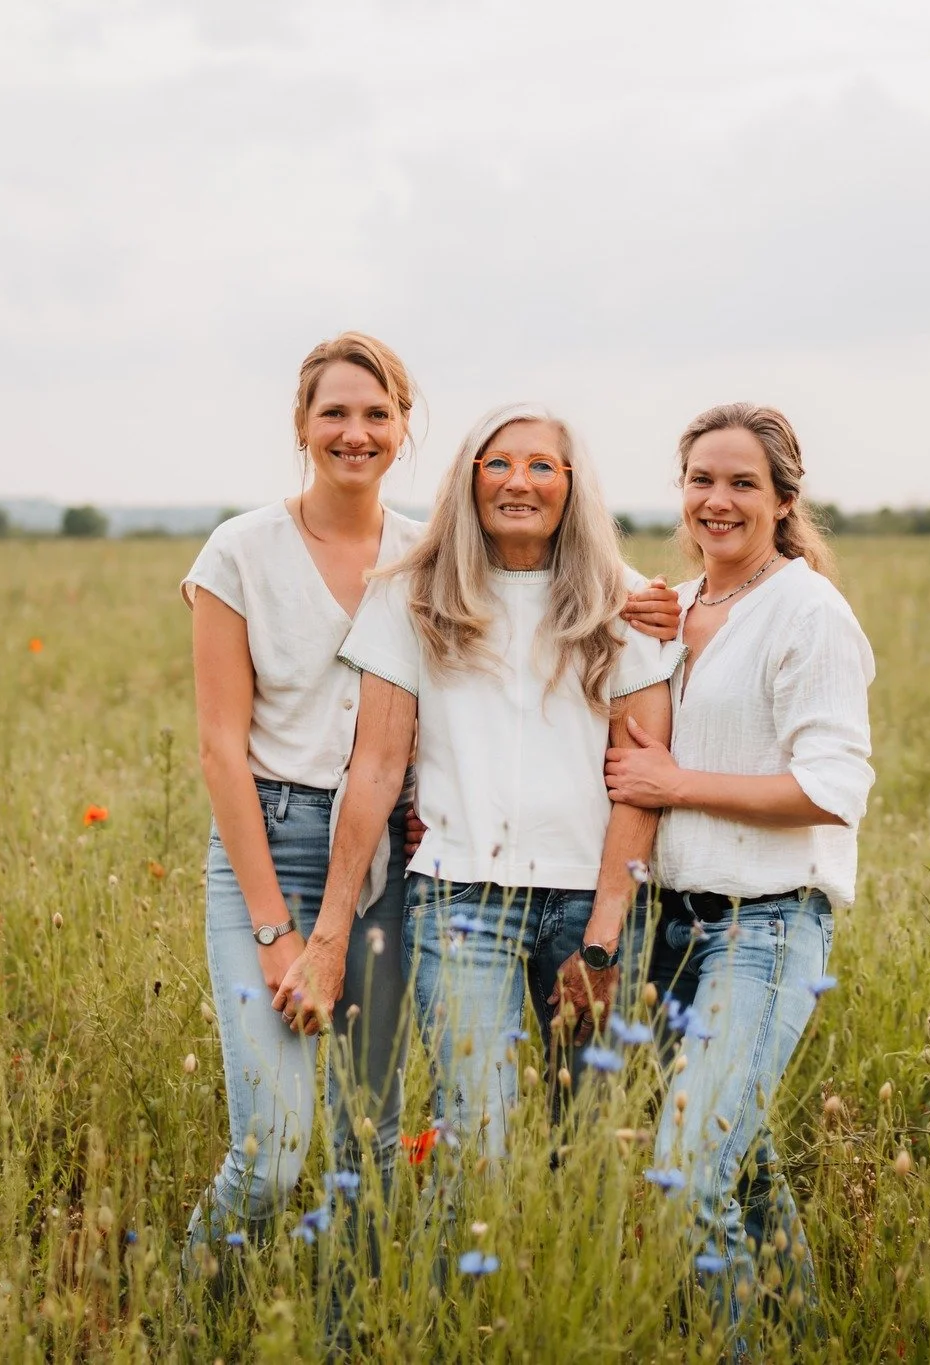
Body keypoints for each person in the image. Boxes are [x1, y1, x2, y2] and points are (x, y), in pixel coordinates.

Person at [275, 402, 680, 1167]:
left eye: (539, 466)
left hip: (590, 906)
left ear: (571, 485)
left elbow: (641, 783)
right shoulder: (416, 594)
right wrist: (330, 934)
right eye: (496, 464)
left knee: (585, 1149)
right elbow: (376, 766)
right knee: (480, 1145)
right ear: (468, 481)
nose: (516, 482)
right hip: (461, 905)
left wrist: (600, 946)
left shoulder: (623, 601)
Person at [604, 402, 874, 1322]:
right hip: (670, 932)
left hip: (764, 925)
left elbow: (832, 786)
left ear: (784, 497)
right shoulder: (676, 608)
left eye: (742, 483)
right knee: (743, 1175)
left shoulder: (807, 612)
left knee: (685, 1173)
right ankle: (798, 1334)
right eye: (702, 481)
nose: (718, 501)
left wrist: (677, 782)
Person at [181, 331, 422, 1245]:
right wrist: (277, 930)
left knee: (379, 1142)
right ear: (301, 424)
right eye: (335, 413)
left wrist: (656, 604)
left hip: (389, 858)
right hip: (270, 839)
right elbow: (219, 751)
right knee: (274, 1152)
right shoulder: (239, 551)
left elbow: (553, 588)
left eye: (376, 413)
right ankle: (176, 1310)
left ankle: (349, 1328)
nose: (354, 432)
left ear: (402, 426)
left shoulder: (430, 551)